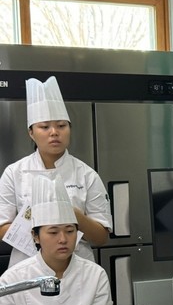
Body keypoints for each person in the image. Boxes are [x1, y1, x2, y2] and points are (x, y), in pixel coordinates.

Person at [0, 76, 112, 268]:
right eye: (44, 127)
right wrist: (44, 233)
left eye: (61, 125)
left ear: (69, 129)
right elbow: (2, 226)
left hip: (78, 271)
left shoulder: (86, 175)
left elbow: (101, 237)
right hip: (27, 268)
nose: (54, 132)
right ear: (31, 133)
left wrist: (75, 216)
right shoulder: (14, 173)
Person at [0, 174, 112, 305]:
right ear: (35, 236)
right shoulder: (13, 279)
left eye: (70, 231)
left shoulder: (95, 275)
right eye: (53, 232)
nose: (63, 239)